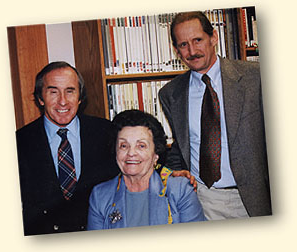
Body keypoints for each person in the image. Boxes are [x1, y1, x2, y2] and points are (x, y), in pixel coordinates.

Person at [158, 11, 272, 220]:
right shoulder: (170, 94)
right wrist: (171, 172)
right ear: (176, 50)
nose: (192, 51)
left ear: (214, 38)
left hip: (253, 199)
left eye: (198, 40)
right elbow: (180, 146)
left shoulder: (255, 77)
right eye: (183, 45)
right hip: (201, 199)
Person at [16, 61, 120, 235]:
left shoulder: (107, 132)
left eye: (70, 91)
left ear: (80, 97)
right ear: (40, 98)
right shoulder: (19, 142)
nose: (62, 101)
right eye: (53, 92)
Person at [87, 110, 206, 230]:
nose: (131, 153)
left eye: (141, 146)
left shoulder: (180, 190)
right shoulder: (100, 195)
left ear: (156, 154)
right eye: (124, 146)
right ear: (116, 151)